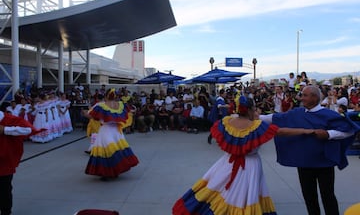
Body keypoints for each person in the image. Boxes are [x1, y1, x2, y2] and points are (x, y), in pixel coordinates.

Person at [172, 95, 324, 215]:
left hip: (227, 163)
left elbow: (220, 137)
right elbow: (281, 131)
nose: (257, 112)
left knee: (220, 190)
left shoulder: (226, 122)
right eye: (255, 109)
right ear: (250, 109)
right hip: (250, 165)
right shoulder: (256, 126)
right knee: (246, 194)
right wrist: (307, 131)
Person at [260, 85, 360, 215]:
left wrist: (329, 134)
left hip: (324, 162)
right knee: (309, 197)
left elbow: (348, 131)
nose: (302, 98)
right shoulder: (297, 113)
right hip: (304, 162)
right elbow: (275, 118)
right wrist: (253, 117)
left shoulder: (328, 114)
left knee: (327, 195)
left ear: (314, 97)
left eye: (305, 95)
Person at [85, 88, 139, 180]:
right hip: (117, 132)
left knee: (106, 151)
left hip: (106, 130)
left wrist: (84, 113)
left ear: (106, 96)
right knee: (117, 150)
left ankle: (107, 173)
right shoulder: (121, 105)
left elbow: (91, 116)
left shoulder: (101, 106)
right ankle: (115, 171)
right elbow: (130, 111)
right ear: (115, 96)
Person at [0, 110, 45, 215]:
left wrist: (5, 130)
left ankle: (5, 211)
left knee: (4, 188)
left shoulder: (10, 119)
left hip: (4, 162)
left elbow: (29, 130)